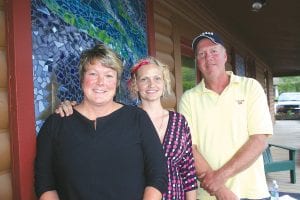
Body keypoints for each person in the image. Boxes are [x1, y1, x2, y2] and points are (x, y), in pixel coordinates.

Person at [34, 44, 168, 200]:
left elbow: (158, 173)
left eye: (109, 75)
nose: (100, 82)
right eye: (93, 74)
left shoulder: (137, 119)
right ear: (82, 79)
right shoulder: (56, 124)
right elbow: (44, 182)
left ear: (117, 82)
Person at [56, 57, 198, 200]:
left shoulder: (179, 122)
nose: (151, 84)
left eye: (157, 78)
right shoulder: (124, 119)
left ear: (164, 83)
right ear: (135, 85)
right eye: (144, 79)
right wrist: (70, 108)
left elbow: (188, 171)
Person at [178, 32, 273, 200]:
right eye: (201, 54)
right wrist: (220, 191)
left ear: (225, 56)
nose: (208, 57)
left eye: (214, 51)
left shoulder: (250, 87)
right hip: (209, 195)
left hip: (251, 193)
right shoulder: (189, 99)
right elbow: (189, 149)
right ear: (197, 62)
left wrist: (219, 178)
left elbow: (259, 139)